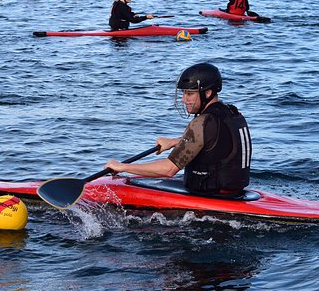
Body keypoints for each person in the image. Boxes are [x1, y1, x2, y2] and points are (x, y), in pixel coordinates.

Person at [104, 63, 252, 196]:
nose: (183, 99)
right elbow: (217, 144)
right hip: (235, 192)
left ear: (207, 93)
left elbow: (168, 170)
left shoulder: (202, 122)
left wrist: (122, 167)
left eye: (189, 94)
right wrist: (175, 142)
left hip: (210, 194)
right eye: (183, 94)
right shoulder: (233, 114)